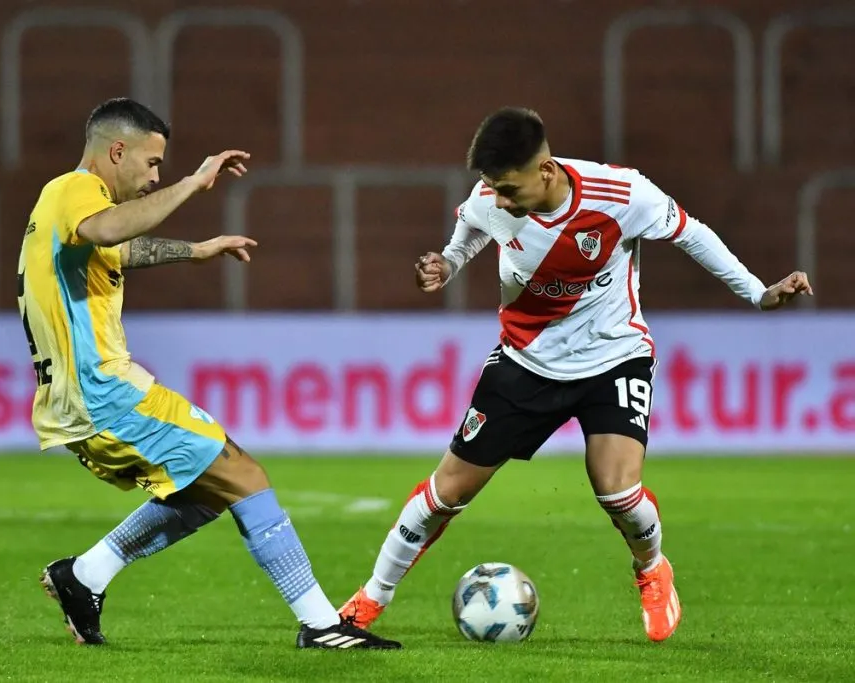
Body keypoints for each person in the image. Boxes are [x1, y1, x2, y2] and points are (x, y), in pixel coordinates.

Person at [339, 106, 813, 642]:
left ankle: (652, 568)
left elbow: (691, 234)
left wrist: (757, 291)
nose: (499, 199)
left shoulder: (623, 195)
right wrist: (448, 263)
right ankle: (369, 599)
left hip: (613, 356)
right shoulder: (491, 198)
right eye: (492, 187)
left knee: (617, 491)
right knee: (445, 493)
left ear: (545, 171)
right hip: (524, 362)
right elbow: (473, 228)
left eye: (508, 188)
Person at [17, 97, 400, 650]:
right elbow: (108, 232)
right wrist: (195, 184)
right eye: (150, 164)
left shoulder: (64, 209)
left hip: (84, 395)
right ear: (115, 150)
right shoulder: (76, 190)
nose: (155, 177)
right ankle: (322, 626)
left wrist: (195, 251)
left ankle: (85, 577)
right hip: (102, 391)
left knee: (209, 491)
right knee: (245, 476)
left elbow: (118, 250)